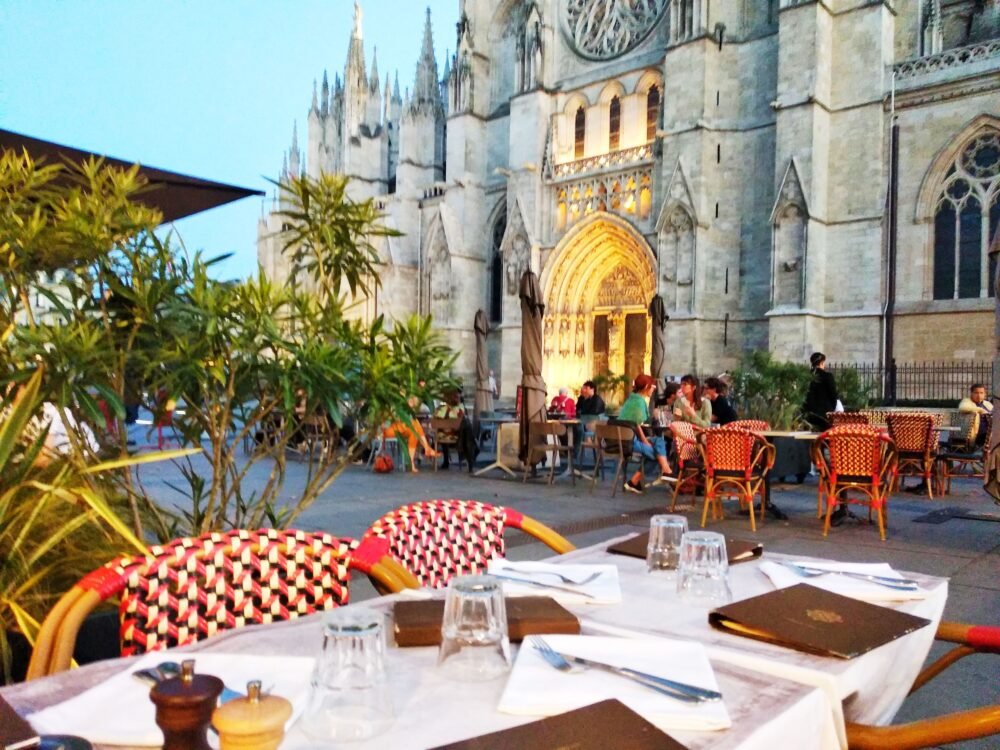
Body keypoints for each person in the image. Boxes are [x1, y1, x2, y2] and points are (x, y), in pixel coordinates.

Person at [617, 374, 675, 494]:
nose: (654, 390)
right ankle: (667, 470)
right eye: (653, 387)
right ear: (646, 387)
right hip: (629, 441)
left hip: (622, 438)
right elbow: (637, 425)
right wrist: (645, 441)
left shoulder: (632, 399)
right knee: (656, 453)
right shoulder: (639, 402)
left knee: (658, 442)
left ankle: (634, 482)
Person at [386, 395, 440, 473]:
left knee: (414, 432)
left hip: (399, 429)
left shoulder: (406, 409)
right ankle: (427, 448)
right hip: (389, 430)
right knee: (415, 424)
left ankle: (411, 463)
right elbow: (395, 420)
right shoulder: (395, 405)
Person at [803, 352, 839, 431]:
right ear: (822, 363)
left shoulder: (806, 376)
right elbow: (833, 395)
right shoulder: (827, 376)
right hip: (824, 414)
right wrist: (831, 409)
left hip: (809, 413)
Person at [573, 380, 606, 461]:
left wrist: (582, 411)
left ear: (592, 389)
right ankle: (575, 452)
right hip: (583, 423)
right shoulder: (581, 398)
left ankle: (577, 452)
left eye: (586, 388)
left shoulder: (597, 399)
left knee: (578, 430)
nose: (583, 390)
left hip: (594, 425)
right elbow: (577, 410)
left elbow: (593, 413)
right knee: (574, 429)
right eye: (583, 388)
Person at [433, 389, 465, 469]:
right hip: (455, 435)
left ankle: (446, 460)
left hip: (449, 435)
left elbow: (436, 419)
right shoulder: (459, 408)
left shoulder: (444, 408)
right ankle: (463, 458)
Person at [958, 383, 993, 447]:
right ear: (971, 393)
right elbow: (962, 408)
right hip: (977, 435)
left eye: (981, 393)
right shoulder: (967, 401)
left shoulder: (987, 404)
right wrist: (981, 410)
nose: (979, 395)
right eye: (976, 393)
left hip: (989, 434)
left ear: (985, 394)